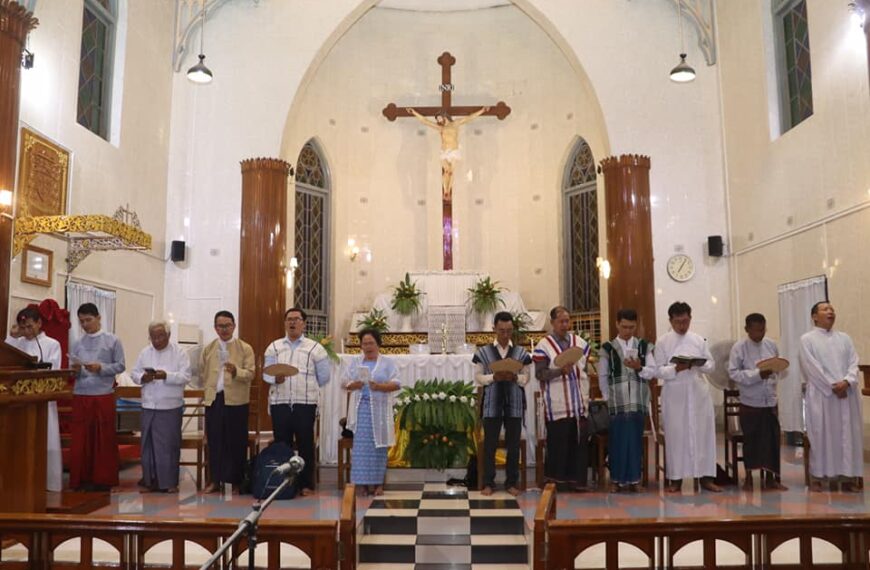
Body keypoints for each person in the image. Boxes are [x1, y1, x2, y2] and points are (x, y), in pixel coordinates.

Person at [262, 307, 331, 496]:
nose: (292, 323)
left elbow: (324, 376)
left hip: (305, 402)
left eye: (296, 319)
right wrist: (274, 379)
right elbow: (266, 373)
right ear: (284, 323)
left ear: (304, 323)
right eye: (289, 319)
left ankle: (305, 484)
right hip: (280, 402)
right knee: (282, 443)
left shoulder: (315, 348)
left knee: (305, 443)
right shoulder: (274, 347)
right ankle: (284, 484)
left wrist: (306, 383)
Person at [654, 301, 721, 493]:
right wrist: (677, 368)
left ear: (690, 318)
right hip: (675, 396)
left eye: (685, 321)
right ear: (671, 321)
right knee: (677, 436)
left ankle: (706, 478)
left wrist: (697, 364)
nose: (682, 326)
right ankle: (676, 479)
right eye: (678, 322)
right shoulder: (663, 342)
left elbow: (711, 365)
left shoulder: (699, 340)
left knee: (703, 435)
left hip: (698, 394)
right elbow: (658, 370)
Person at [799, 301, 862, 492]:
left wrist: (847, 381)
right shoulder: (807, 339)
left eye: (832, 309)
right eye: (825, 309)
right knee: (822, 434)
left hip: (846, 395)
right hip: (822, 395)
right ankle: (818, 475)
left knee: (847, 435)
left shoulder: (845, 338)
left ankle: (849, 476)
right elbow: (811, 367)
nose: (830, 312)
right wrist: (832, 386)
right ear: (814, 316)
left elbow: (854, 362)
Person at [473, 311, 533, 496]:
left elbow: (527, 376)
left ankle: (511, 483)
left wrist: (516, 377)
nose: (505, 335)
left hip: (513, 403)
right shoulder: (483, 352)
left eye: (508, 331)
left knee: (513, 444)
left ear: (512, 329)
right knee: (490, 444)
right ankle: (488, 483)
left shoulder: (521, 353)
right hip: (492, 403)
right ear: (494, 329)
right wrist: (494, 376)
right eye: (501, 331)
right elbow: (477, 377)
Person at [69, 302, 126, 491]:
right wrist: (75, 369)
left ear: (99, 318)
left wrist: (101, 367)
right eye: (81, 321)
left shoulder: (112, 340)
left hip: (102, 395)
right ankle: (82, 478)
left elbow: (120, 366)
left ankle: (103, 480)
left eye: (88, 320)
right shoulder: (77, 343)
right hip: (81, 394)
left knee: (103, 438)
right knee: (81, 439)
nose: (85, 325)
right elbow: (72, 371)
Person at [597, 309, 656, 493]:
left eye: (631, 327)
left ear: (636, 326)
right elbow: (602, 375)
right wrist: (608, 397)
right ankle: (616, 480)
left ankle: (634, 480)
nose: (628, 331)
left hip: (638, 400)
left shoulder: (644, 346)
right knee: (618, 441)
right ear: (617, 324)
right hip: (617, 401)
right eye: (624, 327)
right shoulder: (608, 347)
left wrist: (640, 368)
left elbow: (652, 371)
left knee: (635, 441)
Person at [533, 306, 590, 492]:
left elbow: (585, 369)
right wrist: (559, 371)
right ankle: (556, 482)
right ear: (553, 323)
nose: (565, 325)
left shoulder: (580, 342)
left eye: (567, 321)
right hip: (557, 403)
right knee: (559, 443)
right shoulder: (544, 345)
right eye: (561, 321)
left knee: (578, 443)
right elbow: (540, 374)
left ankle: (577, 482)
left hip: (578, 402)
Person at [728, 313, 787, 491]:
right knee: (751, 440)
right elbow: (733, 373)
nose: (760, 334)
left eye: (763, 329)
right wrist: (756, 375)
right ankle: (748, 478)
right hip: (750, 402)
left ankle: (771, 478)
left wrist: (774, 372)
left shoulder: (770, 344)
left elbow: (779, 368)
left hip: (769, 400)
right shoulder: (739, 348)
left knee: (772, 440)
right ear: (747, 329)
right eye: (756, 330)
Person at [131, 321, 192, 493]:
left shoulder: (179, 353)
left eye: (160, 336)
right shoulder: (145, 352)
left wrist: (166, 375)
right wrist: (143, 377)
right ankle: (150, 481)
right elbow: (134, 373)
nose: (157, 341)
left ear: (168, 335)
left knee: (168, 446)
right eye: (153, 337)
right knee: (148, 445)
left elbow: (186, 376)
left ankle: (169, 483)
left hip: (170, 406)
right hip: (149, 405)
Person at [6, 306, 63, 491]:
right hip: (19, 400)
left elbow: (54, 369)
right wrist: (13, 336)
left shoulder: (51, 344)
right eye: (24, 327)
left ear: (39, 323)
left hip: (42, 400)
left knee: (45, 439)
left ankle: (49, 483)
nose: (27, 331)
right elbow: (6, 358)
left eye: (30, 326)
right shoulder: (18, 341)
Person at [342, 328, 401, 496]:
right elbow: (344, 382)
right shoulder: (355, 362)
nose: (368, 347)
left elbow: (397, 383)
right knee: (361, 448)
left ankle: (377, 484)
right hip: (361, 409)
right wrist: (355, 385)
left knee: (378, 447)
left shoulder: (387, 362)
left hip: (380, 410)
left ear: (378, 344)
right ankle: (361, 483)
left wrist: (380, 387)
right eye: (364, 343)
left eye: (371, 343)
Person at [201, 310, 254, 494]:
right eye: (220, 326)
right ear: (215, 328)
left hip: (237, 401)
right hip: (214, 400)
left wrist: (236, 371)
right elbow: (203, 372)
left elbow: (250, 373)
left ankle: (236, 480)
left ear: (234, 326)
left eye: (227, 325)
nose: (224, 329)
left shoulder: (244, 348)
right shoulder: (209, 348)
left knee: (236, 441)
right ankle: (215, 480)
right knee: (215, 440)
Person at [407, 106, 488, 202]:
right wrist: (413, 112)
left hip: (454, 151)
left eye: (439, 118)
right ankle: (446, 192)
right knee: (446, 172)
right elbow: (425, 121)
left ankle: (448, 191)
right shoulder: (440, 128)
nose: (438, 120)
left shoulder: (455, 124)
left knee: (450, 172)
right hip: (444, 152)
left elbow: (469, 118)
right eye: (437, 119)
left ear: (443, 116)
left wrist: (482, 110)